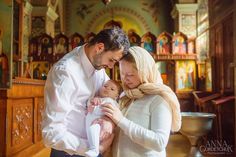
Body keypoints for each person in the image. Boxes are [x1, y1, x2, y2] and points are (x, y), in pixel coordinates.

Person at [42, 27, 130, 157]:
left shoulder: (98, 65)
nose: (111, 66)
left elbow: (111, 98)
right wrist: (93, 148)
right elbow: (51, 133)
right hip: (69, 152)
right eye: (111, 60)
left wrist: (109, 121)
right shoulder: (65, 72)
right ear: (99, 47)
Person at [101, 46, 182, 157]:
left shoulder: (158, 99)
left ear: (145, 72)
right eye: (122, 74)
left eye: (130, 75)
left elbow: (159, 142)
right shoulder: (126, 95)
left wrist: (121, 121)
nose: (125, 79)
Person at [85, 80, 122, 157]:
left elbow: (105, 111)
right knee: (92, 132)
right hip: (89, 126)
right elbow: (88, 104)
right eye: (105, 86)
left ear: (116, 96)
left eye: (112, 89)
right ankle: (98, 148)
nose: (107, 89)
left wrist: (94, 108)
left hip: (100, 126)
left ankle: (95, 150)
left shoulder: (111, 102)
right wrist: (91, 101)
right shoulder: (98, 98)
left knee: (94, 129)